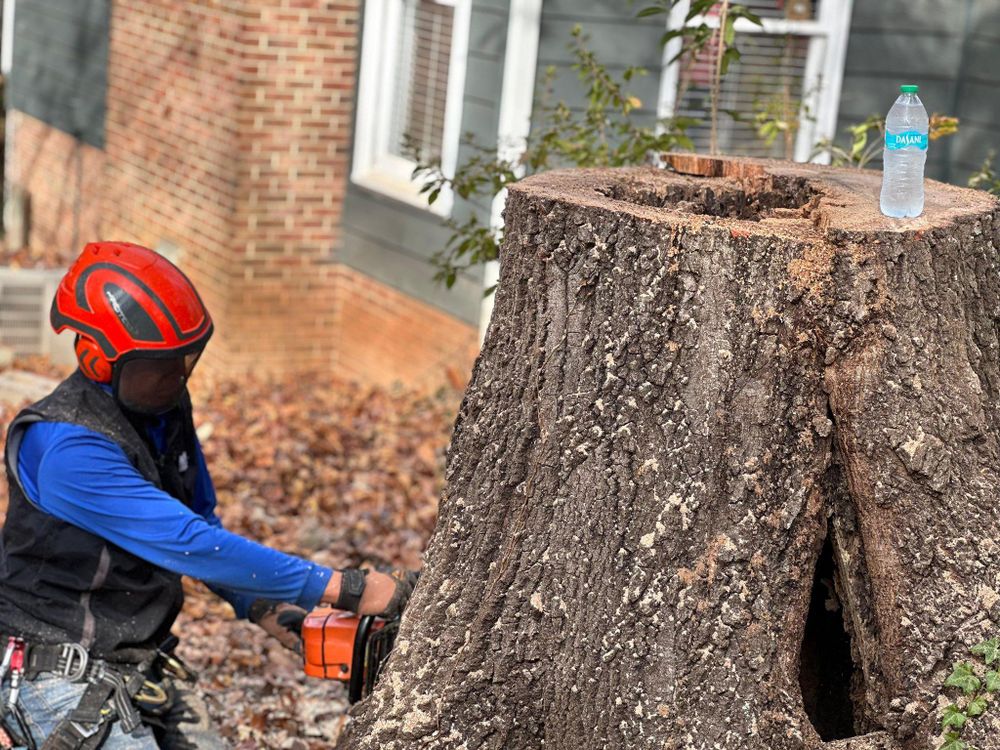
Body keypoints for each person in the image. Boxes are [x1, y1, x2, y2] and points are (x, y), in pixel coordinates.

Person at [0, 242, 418, 749]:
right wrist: (347, 589)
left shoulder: (161, 407)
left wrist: (263, 606)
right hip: (54, 670)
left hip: (137, 659)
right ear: (98, 359)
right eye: (160, 366)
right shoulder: (64, 448)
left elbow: (199, 518)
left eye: (186, 360)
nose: (177, 378)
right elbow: (186, 541)